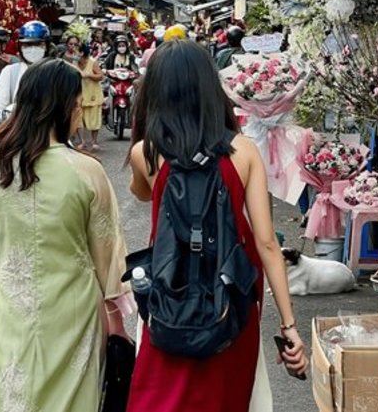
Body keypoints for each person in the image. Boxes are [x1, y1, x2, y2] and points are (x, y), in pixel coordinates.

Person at [0, 60, 129, 411]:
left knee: (14, 397)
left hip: (12, 303)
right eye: (78, 105)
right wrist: (116, 323)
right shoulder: (86, 172)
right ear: (65, 107)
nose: (80, 113)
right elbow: (108, 259)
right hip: (75, 310)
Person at [125, 40, 307, 412]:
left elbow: (142, 194)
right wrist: (289, 326)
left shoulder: (146, 152)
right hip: (232, 302)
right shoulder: (243, 152)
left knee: (161, 397)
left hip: (169, 295)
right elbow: (267, 243)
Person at [0, 20, 52, 115]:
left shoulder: (57, 72)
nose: (33, 49)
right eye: (28, 45)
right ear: (20, 47)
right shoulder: (10, 72)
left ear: (47, 46)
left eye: (38, 44)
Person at [77, 43, 105, 151]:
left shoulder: (92, 62)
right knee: (79, 119)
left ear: (82, 52)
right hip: (80, 94)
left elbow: (100, 76)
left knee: (94, 118)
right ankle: (82, 141)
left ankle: (94, 141)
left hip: (93, 94)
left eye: (76, 50)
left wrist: (89, 75)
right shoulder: (75, 63)